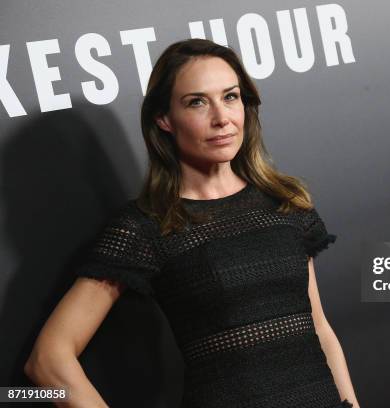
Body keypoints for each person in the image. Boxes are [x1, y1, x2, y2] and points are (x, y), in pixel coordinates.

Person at [23, 38, 359, 408]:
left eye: (230, 96)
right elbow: (47, 360)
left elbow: (320, 329)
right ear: (164, 119)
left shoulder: (286, 203)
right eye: (197, 102)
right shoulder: (147, 226)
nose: (222, 118)